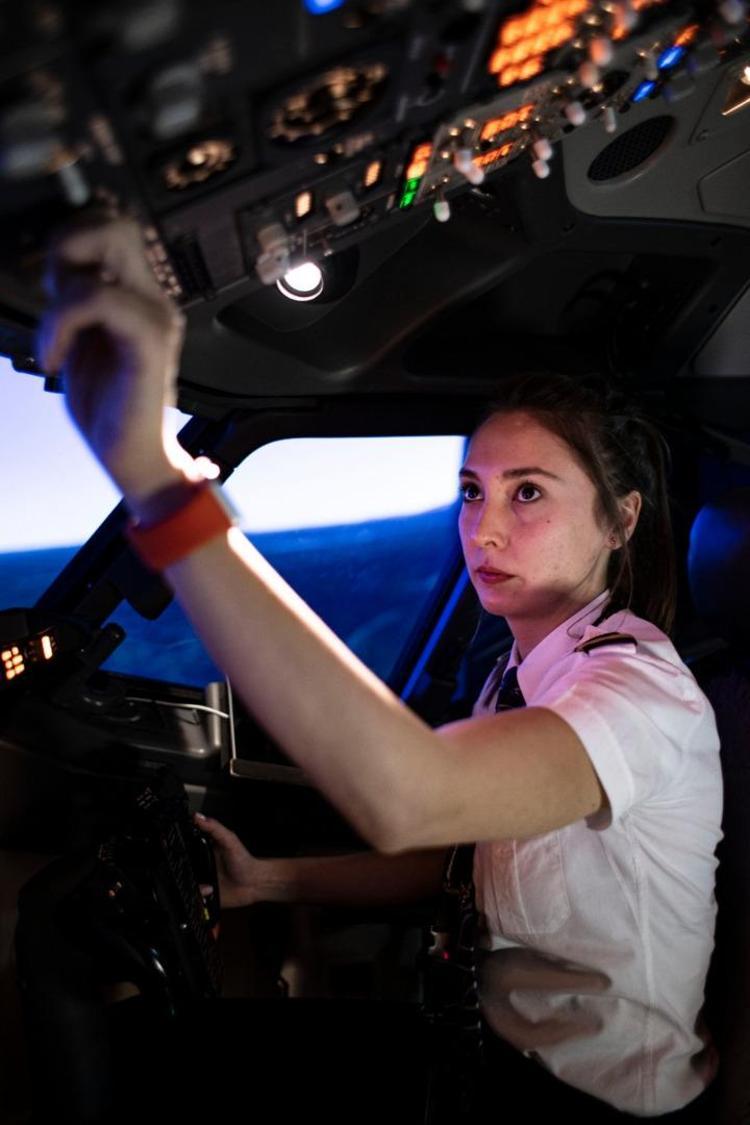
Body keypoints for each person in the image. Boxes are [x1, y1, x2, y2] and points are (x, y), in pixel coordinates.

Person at [38, 217, 722, 1122]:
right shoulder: (518, 676)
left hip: (581, 1106)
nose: (483, 530)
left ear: (620, 519)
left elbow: (414, 797)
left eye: (528, 492)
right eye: (472, 491)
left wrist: (158, 480)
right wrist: (269, 880)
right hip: (475, 1048)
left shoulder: (641, 695)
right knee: (172, 1049)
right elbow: (460, 860)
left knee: (168, 1069)